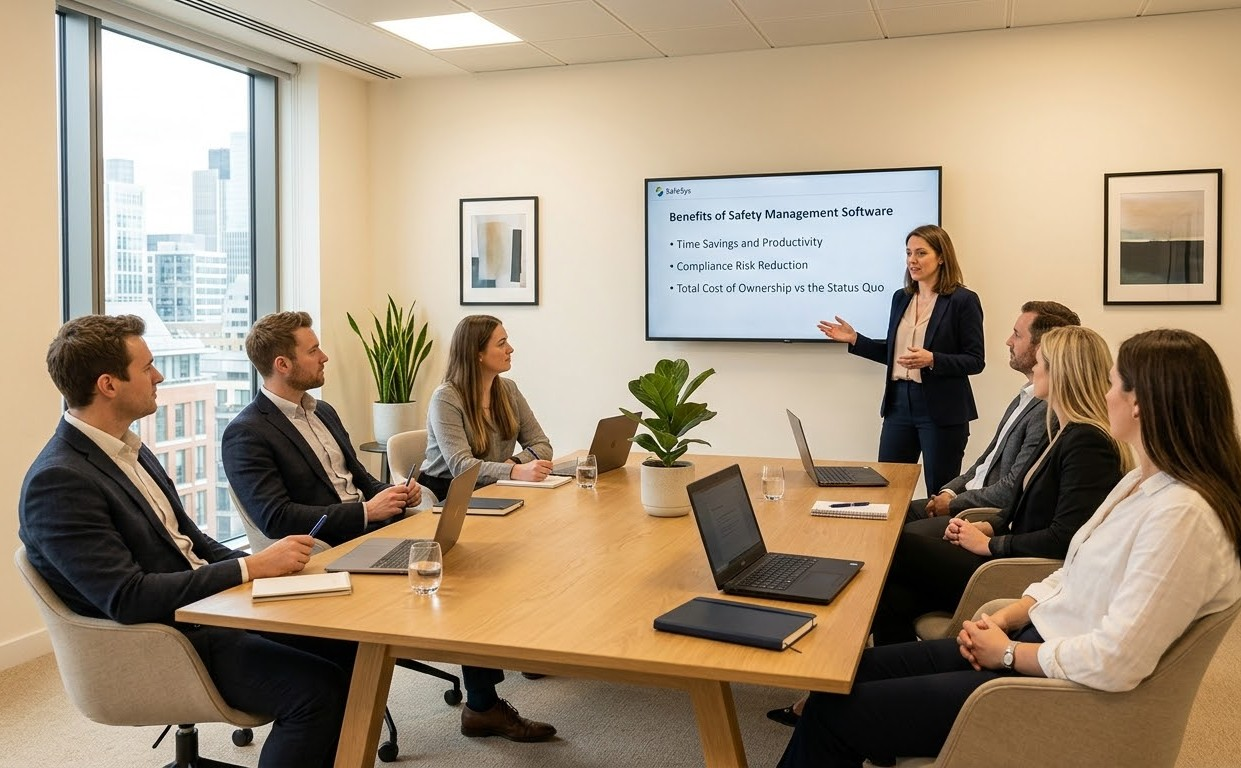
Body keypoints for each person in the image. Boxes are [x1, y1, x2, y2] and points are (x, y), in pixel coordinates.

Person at [777, 328, 1241, 768]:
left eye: (1113, 384)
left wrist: (1006, 653)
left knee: (835, 713)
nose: (1105, 395)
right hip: (1034, 644)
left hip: (1049, 688)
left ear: (1139, 404)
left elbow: (1117, 659)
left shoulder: (1182, 516)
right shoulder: (1142, 483)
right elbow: (1071, 570)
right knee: (846, 675)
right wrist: (1008, 617)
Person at [19, 314, 354, 768]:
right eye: (147, 368)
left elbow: (191, 543)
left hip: (208, 611)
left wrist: (276, 571)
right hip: (165, 641)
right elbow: (128, 597)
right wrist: (250, 568)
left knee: (347, 642)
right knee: (316, 692)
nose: (159, 376)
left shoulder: (128, 450)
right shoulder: (59, 481)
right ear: (108, 385)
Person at [223, 311, 556, 743]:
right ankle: (483, 704)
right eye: (313, 350)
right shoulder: (247, 432)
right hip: (328, 547)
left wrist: (394, 493)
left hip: (373, 526)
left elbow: (361, 479)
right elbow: (275, 516)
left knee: (471, 555)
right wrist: (367, 512)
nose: (324, 356)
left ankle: (488, 693)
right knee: (459, 575)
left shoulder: (323, 412)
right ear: (282, 364)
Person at [871, 325, 1130, 645]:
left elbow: (1064, 537)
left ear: (1061, 374)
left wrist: (990, 544)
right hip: (1004, 555)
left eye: (1041, 363)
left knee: (892, 545)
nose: (1034, 370)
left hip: (1015, 570)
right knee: (895, 594)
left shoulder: (1087, 443)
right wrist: (988, 526)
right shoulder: (1061, 430)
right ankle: (880, 668)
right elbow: (1023, 505)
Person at [819, 224, 985, 496]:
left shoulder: (962, 300)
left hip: (941, 410)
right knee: (887, 488)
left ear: (941, 257)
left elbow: (975, 360)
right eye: (908, 253)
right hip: (898, 405)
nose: (912, 260)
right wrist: (855, 339)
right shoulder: (901, 298)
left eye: (921, 253)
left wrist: (933, 359)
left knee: (937, 494)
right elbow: (896, 354)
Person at [907, 301, 1081, 521]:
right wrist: (949, 492)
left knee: (899, 528)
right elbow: (987, 460)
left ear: (1042, 347)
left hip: (983, 514)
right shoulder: (1025, 396)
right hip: (968, 499)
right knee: (894, 511)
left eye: (1017, 335)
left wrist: (953, 504)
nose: (1008, 341)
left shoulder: (1047, 410)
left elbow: (1013, 486)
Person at [417, 315, 553, 501]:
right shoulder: (446, 398)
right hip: (449, 492)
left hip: (494, 485)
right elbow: (462, 467)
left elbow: (542, 445)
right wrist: (514, 471)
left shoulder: (509, 389)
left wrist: (514, 463)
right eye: (501, 343)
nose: (510, 349)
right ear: (477, 354)